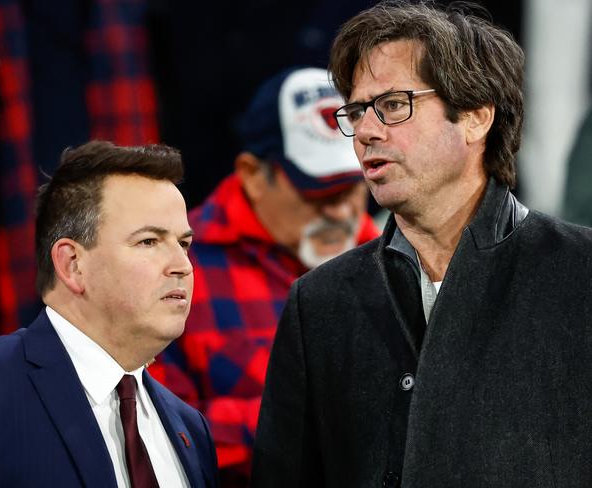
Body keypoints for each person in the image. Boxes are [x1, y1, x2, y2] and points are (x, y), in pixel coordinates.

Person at [252, 2, 592, 487]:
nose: (366, 131)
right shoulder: (319, 303)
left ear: (476, 117)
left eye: (393, 105)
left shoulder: (581, 274)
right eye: (356, 111)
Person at [149, 67, 380, 485]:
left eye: (352, 186)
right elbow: (153, 432)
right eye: (318, 192)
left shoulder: (397, 261)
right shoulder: (174, 268)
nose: (342, 212)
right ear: (253, 176)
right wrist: (308, 419)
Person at [0, 141, 219, 488]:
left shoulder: (190, 428)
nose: (182, 266)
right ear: (72, 264)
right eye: (149, 241)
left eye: (184, 244)